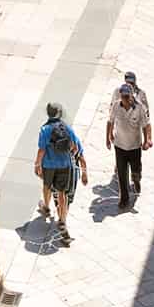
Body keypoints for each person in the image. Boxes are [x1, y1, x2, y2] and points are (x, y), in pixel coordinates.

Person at [34, 102, 87, 243]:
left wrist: (37, 164)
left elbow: (42, 150)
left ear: (48, 113)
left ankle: (46, 207)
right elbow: (75, 148)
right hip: (65, 165)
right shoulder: (67, 128)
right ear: (59, 113)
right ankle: (62, 220)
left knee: (47, 186)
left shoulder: (44, 130)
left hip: (49, 165)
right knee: (62, 192)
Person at [106, 81, 152, 210]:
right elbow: (110, 121)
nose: (124, 99)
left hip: (134, 147)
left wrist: (147, 139)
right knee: (121, 173)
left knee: (135, 170)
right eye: (122, 96)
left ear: (131, 96)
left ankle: (136, 179)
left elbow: (146, 125)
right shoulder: (116, 106)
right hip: (119, 146)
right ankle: (124, 199)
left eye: (127, 97)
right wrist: (108, 137)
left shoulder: (139, 108)